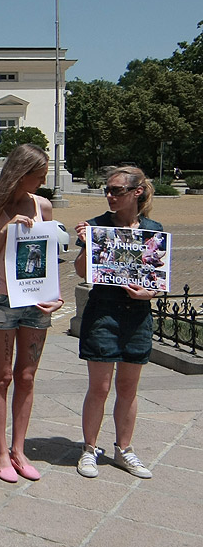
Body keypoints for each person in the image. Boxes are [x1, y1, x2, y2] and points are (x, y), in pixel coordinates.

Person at [0, 143, 64, 483]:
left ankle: (19, 449)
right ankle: (0, 452)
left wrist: (55, 297)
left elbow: (49, 259)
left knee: (26, 376)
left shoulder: (43, 206)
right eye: (38, 176)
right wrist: (4, 232)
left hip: (36, 300)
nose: (42, 182)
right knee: (3, 376)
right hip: (0, 299)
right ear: (20, 173)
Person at [74, 166, 161, 479]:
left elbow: (157, 278)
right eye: (107, 191)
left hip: (137, 316)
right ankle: (89, 448)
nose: (110, 196)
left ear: (137, 192)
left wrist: (148, 293)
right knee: (100, 387)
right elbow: (83, 272)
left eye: (117, 191)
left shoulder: (152, 228)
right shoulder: (98, 226)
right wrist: (87, 243)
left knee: (128, 388)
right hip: (104, 312)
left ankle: (124, 449)